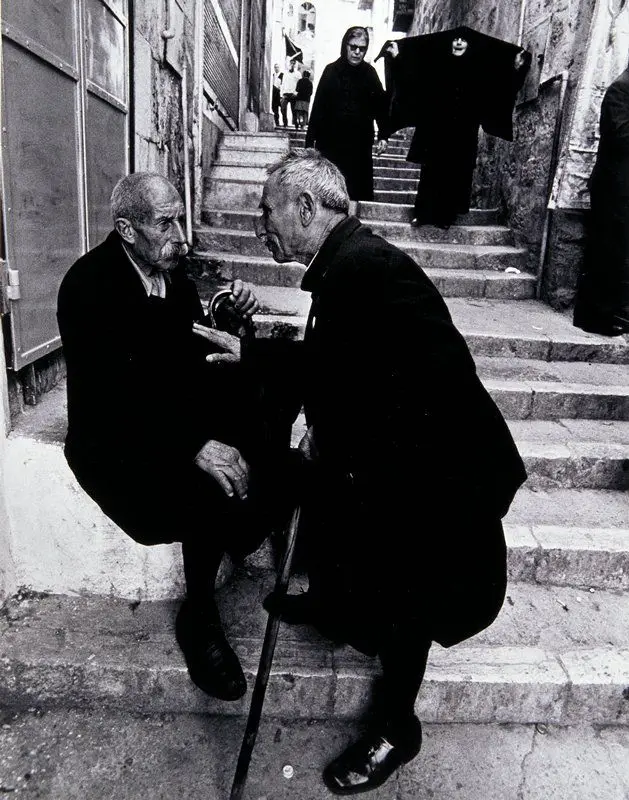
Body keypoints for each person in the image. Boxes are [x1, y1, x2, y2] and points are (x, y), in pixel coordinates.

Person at [197, 150, 527, 795]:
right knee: (325, 493)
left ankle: (396, 730)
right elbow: (342, 361)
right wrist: (259, 354)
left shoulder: (362, 269)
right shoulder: (347, 262)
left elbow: (373, 377)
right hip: (404, 452)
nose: (261, 225)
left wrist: (268, 367)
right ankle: (332, 603)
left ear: (306, 208)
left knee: (411, 592)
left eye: (268, 211)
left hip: (439, 471)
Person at [57, 172, 295, 704]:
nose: (181, 235)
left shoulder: (172, 275)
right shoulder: (88, 288)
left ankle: (249, 514)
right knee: (205, 483)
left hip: (163, 419)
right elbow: (113, 401)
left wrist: (230, 323)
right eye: (166, 223)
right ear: (126, 229)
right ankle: (200, 617)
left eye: (181, 217)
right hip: (114, 443)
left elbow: (182, 361)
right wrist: (196, 444)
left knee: (266, 393)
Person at [380, 27, 530, 228]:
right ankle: (422, 214)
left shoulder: (477, 72)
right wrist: (398, 58)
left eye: (464, 40)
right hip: (435, 130)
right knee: (431, 173)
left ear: (469, 45)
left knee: (454, 174)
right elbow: (413, 82)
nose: (459, 42)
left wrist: (515, 69)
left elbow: (496, 90)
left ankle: (445, 217)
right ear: (449, 43)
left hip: (462, 133)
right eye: (455, 39)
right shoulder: (436, 66)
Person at [573, 64, 629, 335]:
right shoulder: (620, 89)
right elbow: (621, 135)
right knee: (606, 250)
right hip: (613, 186)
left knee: (616, 252)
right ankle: (595, 318)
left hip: (622, 186)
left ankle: (608, 314)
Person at [305, 27, 389, 201]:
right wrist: (309, 140)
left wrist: (383, 135)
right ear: (345, 45)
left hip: (358, 145)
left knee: (356, 193)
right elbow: (318, 107)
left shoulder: (370, 74)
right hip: (330, 143)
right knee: (328, 194)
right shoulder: (331, 71)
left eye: (362, 48)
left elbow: (380, 106)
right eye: (353, 47)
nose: (357, 52)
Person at [280, 59, 300, 128]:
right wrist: (282, 94)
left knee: (294, 110)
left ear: (295, 65)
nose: (292, 65)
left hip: (293, 94)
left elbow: (299, 84)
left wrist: (296, 93)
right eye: (291, 63)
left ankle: (296, 124)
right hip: (285, 94)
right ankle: (285, 123)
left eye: (293, 63)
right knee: (283, 109)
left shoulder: (298, 74)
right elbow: (282, 83)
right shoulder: (285, 73)